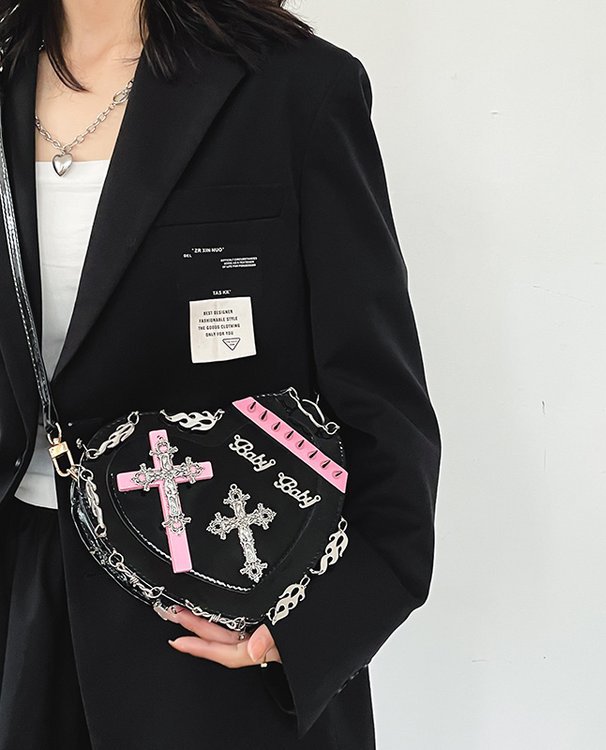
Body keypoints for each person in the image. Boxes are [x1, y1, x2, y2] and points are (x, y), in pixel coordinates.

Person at [0, 0, 441, 748]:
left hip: (219, 606)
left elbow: (378, 388)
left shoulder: (294, 88)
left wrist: (318, 624)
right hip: (21, 598)